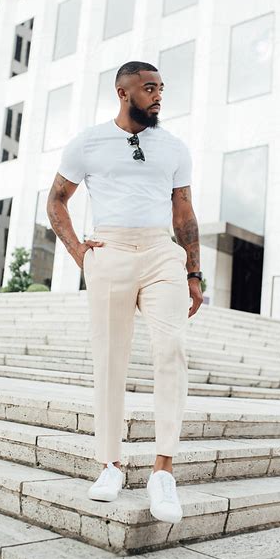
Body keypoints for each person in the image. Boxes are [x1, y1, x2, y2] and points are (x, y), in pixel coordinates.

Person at [46, 61, 203, 524]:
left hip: (160, 252)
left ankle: (163, 470)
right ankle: (110, 464)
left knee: (171, 349)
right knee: (109, 357)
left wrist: (194, 273)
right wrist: (80, 253)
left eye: (161, 88)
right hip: (109, 248)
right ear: (123, 92)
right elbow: (56, 199)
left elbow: (184, 213)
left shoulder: (174, 147)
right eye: (149, 89)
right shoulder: (88, 142)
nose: (158, 97)